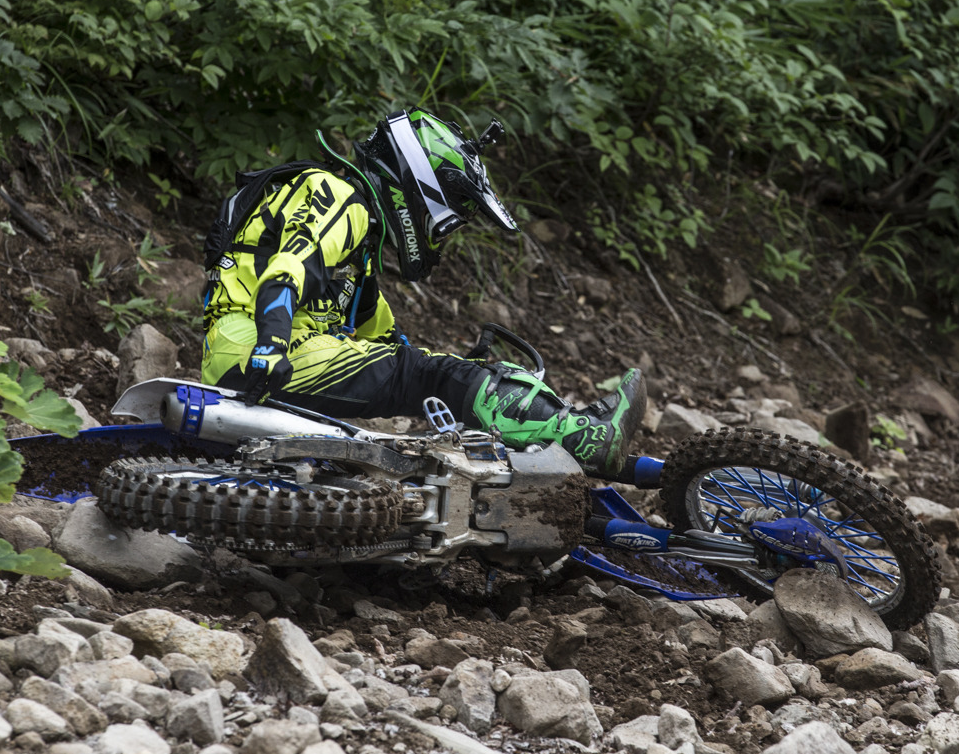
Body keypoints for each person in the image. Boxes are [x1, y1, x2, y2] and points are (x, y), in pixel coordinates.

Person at [199, 108, 647, 479]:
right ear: (420, 186)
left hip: (260, 346)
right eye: (452, 215)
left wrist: (470, 376)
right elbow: (288, 268)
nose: (447, 230)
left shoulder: (359, 250)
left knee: (440, 373)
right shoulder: (339, 196)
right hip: (262, 347)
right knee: (433, 376)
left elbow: (386, 339)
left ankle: (546, 437)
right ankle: (582, 434)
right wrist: (271, 344)